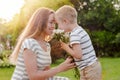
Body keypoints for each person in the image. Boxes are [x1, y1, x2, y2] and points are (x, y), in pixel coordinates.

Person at [10, 7, 75, 80]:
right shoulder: (30, 43)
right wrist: (60, 68)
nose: (53, 26)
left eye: (54, 23)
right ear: (41, 23)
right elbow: (33, 76)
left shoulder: (47, 45)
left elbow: (45, 74)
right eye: (51, 22)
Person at [55, 5, 102, 80]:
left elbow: (78, 55)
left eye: (58, 24)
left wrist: (66, 48)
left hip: (90, 69)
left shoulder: (75, 34)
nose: (58, 27)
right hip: (89, 68)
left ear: (65, 21)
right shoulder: (78, 30)